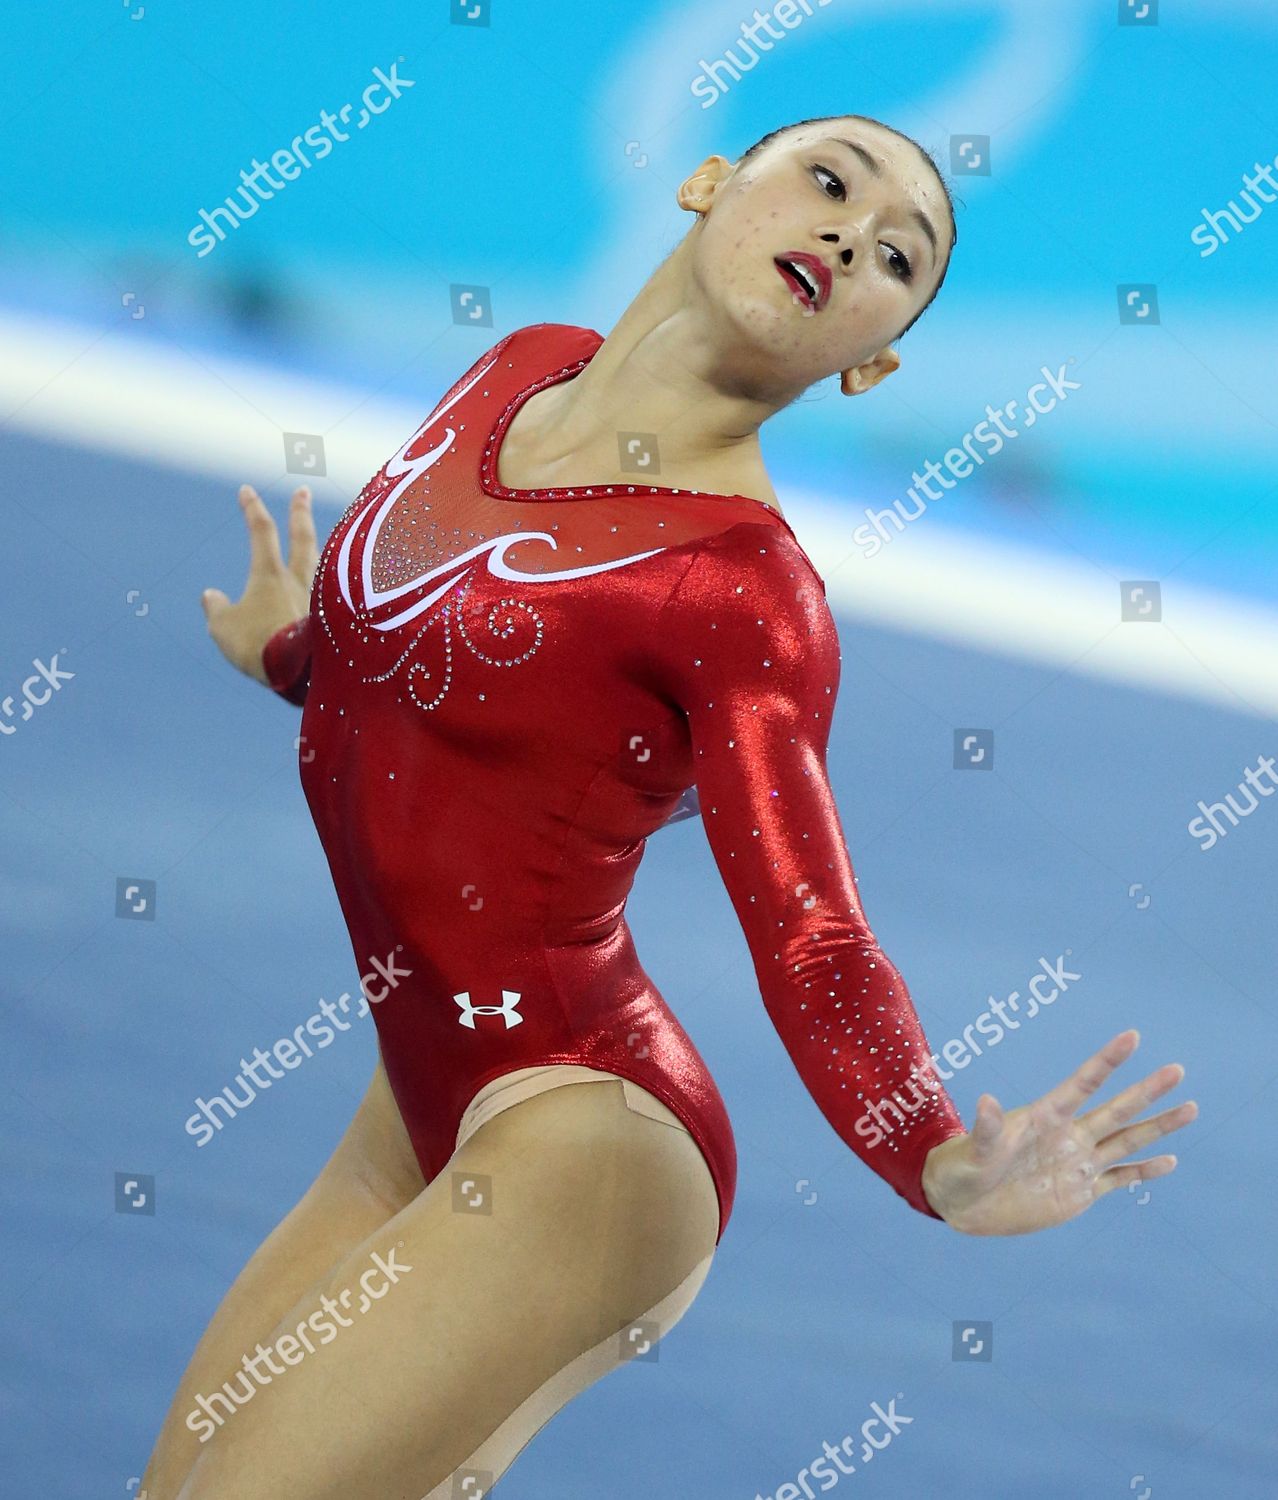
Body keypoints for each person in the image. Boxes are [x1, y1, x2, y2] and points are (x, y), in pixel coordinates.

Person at [143, 114, 1197, 1500]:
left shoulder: (745, 596)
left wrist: (929, 1157)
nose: (846, 235)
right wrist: (296, 655)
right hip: (410, 1115)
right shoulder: (516, 368)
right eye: (827, 182)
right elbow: (455, 696)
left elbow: (808, 928)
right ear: (708, 183)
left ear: (871, 360)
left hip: (583, 1148)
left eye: (896, 256)